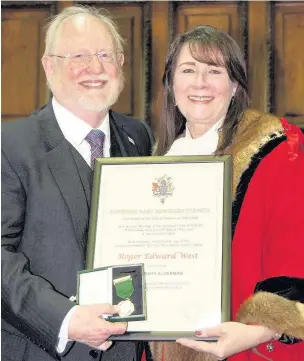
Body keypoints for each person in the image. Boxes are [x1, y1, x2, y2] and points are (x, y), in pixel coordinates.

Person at [1, 5, 153, 361]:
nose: (95, 68)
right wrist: (66, 319)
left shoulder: (137, 137)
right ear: (48, 65)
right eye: (79, 56)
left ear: (120, 62)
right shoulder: (10, 146)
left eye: (104, 55)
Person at [146, 25, 304, 361]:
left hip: (241, 347)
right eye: (188, 70)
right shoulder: (155, 159)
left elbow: (295, 252)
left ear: (234, 86)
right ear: (171, 84)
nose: (199, 82)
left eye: (214, 71)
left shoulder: (277, 152)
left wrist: (254, 331)